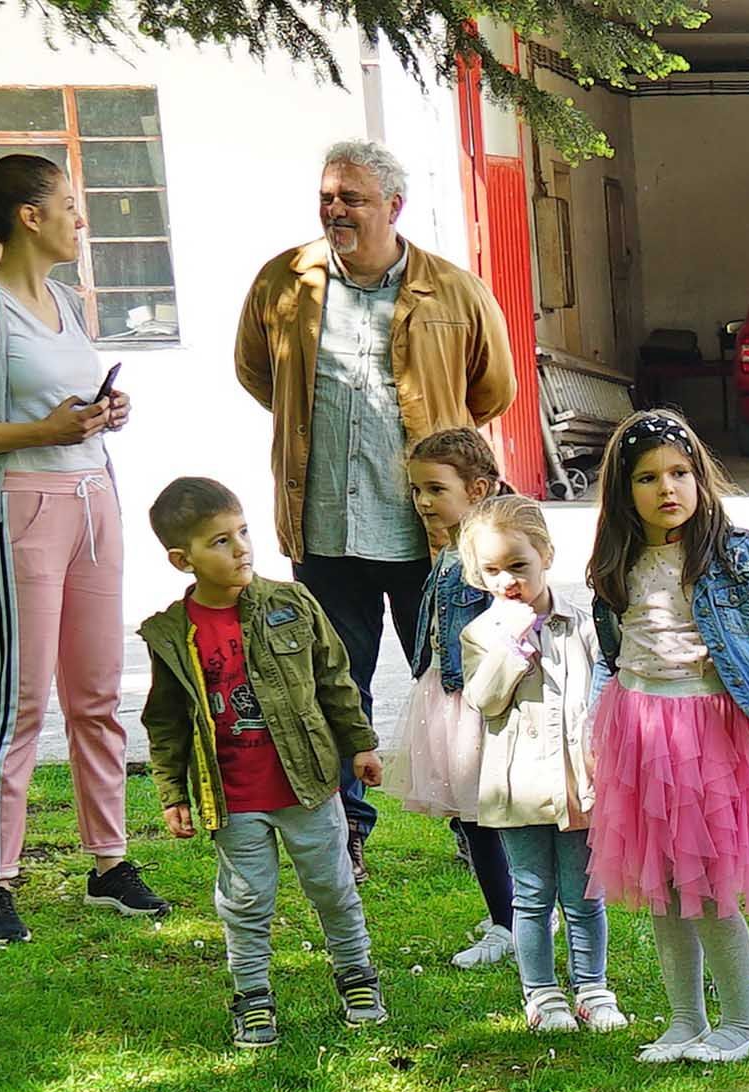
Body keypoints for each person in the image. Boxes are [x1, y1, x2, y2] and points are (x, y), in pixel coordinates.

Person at [235, 139, 516, 880]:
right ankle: (349, 833)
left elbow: (493, 391)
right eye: (328, 195)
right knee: (335, 690)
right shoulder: (283, 282)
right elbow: (256, 372)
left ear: (393, 206)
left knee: (455, 680)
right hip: (325, 529)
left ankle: (474, 823)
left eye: (352, 198)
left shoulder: (452, 291)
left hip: (428, 539)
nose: (335, 209)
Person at [0, 145, 162, 947]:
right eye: (71, 205)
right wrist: (40, 431)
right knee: (18, 697)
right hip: (20, 504)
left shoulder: (68, 301)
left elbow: (67, 397)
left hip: (94, 496)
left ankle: (109, 862)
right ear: (29, 216)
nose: (84, 218)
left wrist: (105, 410)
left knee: (96, 693)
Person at [585, 409, 749, 1065]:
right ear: (622, 491)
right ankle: (686, 1019)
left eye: (681, 472)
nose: (668, 487)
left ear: (701, 476)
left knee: (711, 886)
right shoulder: (617, 562)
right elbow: (616, 650)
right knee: (663, 886)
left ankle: (743, 1024)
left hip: (710, 733)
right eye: (648, 477)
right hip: (639, 730)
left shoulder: (735, 553)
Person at [136, 477, 385, 1049]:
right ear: (183, 559)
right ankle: (253, 996)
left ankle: (357, 976)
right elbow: (166, 720)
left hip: (309, 786)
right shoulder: (172, 635)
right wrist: (173, 793)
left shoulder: (290, 603)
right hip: (234, 798)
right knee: (247, 900)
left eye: (243, 532)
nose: (242, 548)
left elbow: (334, 679)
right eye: (220, 541)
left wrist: (361, 744)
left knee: (334, 887)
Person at [454, 496, 622, 1035]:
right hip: (517, 788)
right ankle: (542, 993)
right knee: (530, 896)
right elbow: (483, 701)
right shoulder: (481, 633)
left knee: (582, 894)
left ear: (545, 554)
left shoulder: (582, 621)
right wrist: (511, 647)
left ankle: (592, 987)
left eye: (518, 566)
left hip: (579, 782)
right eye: (492, 571)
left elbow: (607, 684)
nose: (507, 581)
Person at [395, 426, 521, 971]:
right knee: (475, 816)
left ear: (477, 488)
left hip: (479, 701)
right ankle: (509, 913)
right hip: (447, 699)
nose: (422, 502)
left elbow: (518, 619)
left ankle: (512, 922)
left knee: (490, 815)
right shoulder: (451, 546)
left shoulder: (489, 552)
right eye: (417, 490)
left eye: (435, 489)